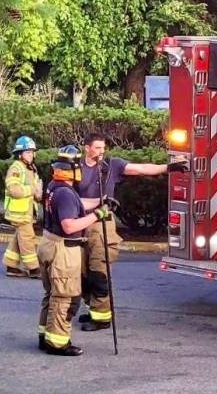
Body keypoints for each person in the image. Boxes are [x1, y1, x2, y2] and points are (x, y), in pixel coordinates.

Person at [73, 133, 186, 332]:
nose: (101, 152)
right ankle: (93, 308)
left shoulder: (111, 166)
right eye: (97, 148)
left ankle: (102, 318)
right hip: (80, 224)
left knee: (99, 272)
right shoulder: (76, 168)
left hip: (101, 226)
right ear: (87, 148)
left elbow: (141, 169)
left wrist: (168, 168)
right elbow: (70, 197)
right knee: (81, 274)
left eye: (103, 148)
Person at [37, 148, 112, 357]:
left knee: (51, 295)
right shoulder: (65, 193)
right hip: (64, 248)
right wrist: (98, 215)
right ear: (74, 169)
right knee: (66, 297)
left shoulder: (55, 187)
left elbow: (77, 204)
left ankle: (45, 336)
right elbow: (69, 225)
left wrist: (101, 202)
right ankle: (58, 343)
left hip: (49, 243)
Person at [2, 135, 43, 277]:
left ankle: (11, 266)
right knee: (27, 239)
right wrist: (33, 190)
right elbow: (14, 190)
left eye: (32, 152)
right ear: (20, 154)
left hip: (27, 212)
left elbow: (36, 189)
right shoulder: (16, 168)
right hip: (19, 213)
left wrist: (38, 195)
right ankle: (34, 269)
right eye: (27, 152)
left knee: (18, 238)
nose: (31, 155)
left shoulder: (31, 168)